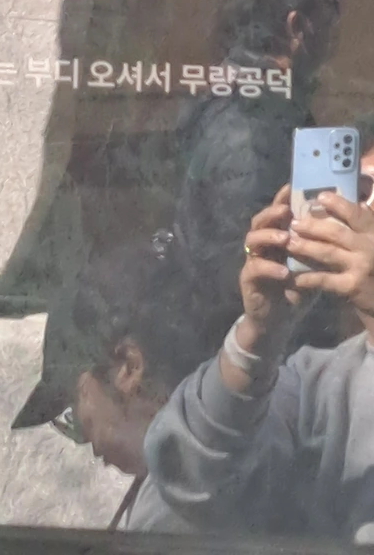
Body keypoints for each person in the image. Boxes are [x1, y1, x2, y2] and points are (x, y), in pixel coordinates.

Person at [144, 158, 374, 538]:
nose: (356, 208)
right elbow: (193, 483)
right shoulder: (318, 386)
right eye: (356, 189)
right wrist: (260, 334)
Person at [170, 0, 339, 344]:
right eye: (329, 5)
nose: (335, 26)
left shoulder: (236, 101)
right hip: (262, 352)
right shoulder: (256, 126)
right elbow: (254, 272)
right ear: (297, 26)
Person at [12, 235, 213, 529]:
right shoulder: (219, 450)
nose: (93, 448)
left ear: (129, 368)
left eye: (76, 419)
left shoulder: (175, 508)